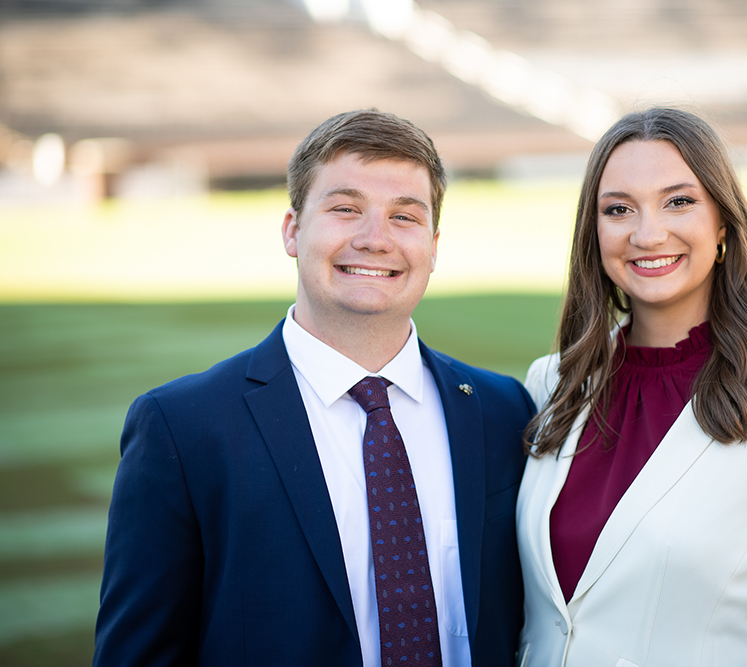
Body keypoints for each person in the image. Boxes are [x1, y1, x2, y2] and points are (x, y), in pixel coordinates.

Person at [94, 109, 534, 667]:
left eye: (405, 216)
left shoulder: (502, 410)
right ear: (292, 231)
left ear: (434, 244)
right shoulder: (183, 428)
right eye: (346, 209)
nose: (375, 239)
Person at [516, 108, 747, 666]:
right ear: (594, 234)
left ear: (723, 224)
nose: (647, 233)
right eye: (618, 209)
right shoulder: (553, 385)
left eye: (678, 201)